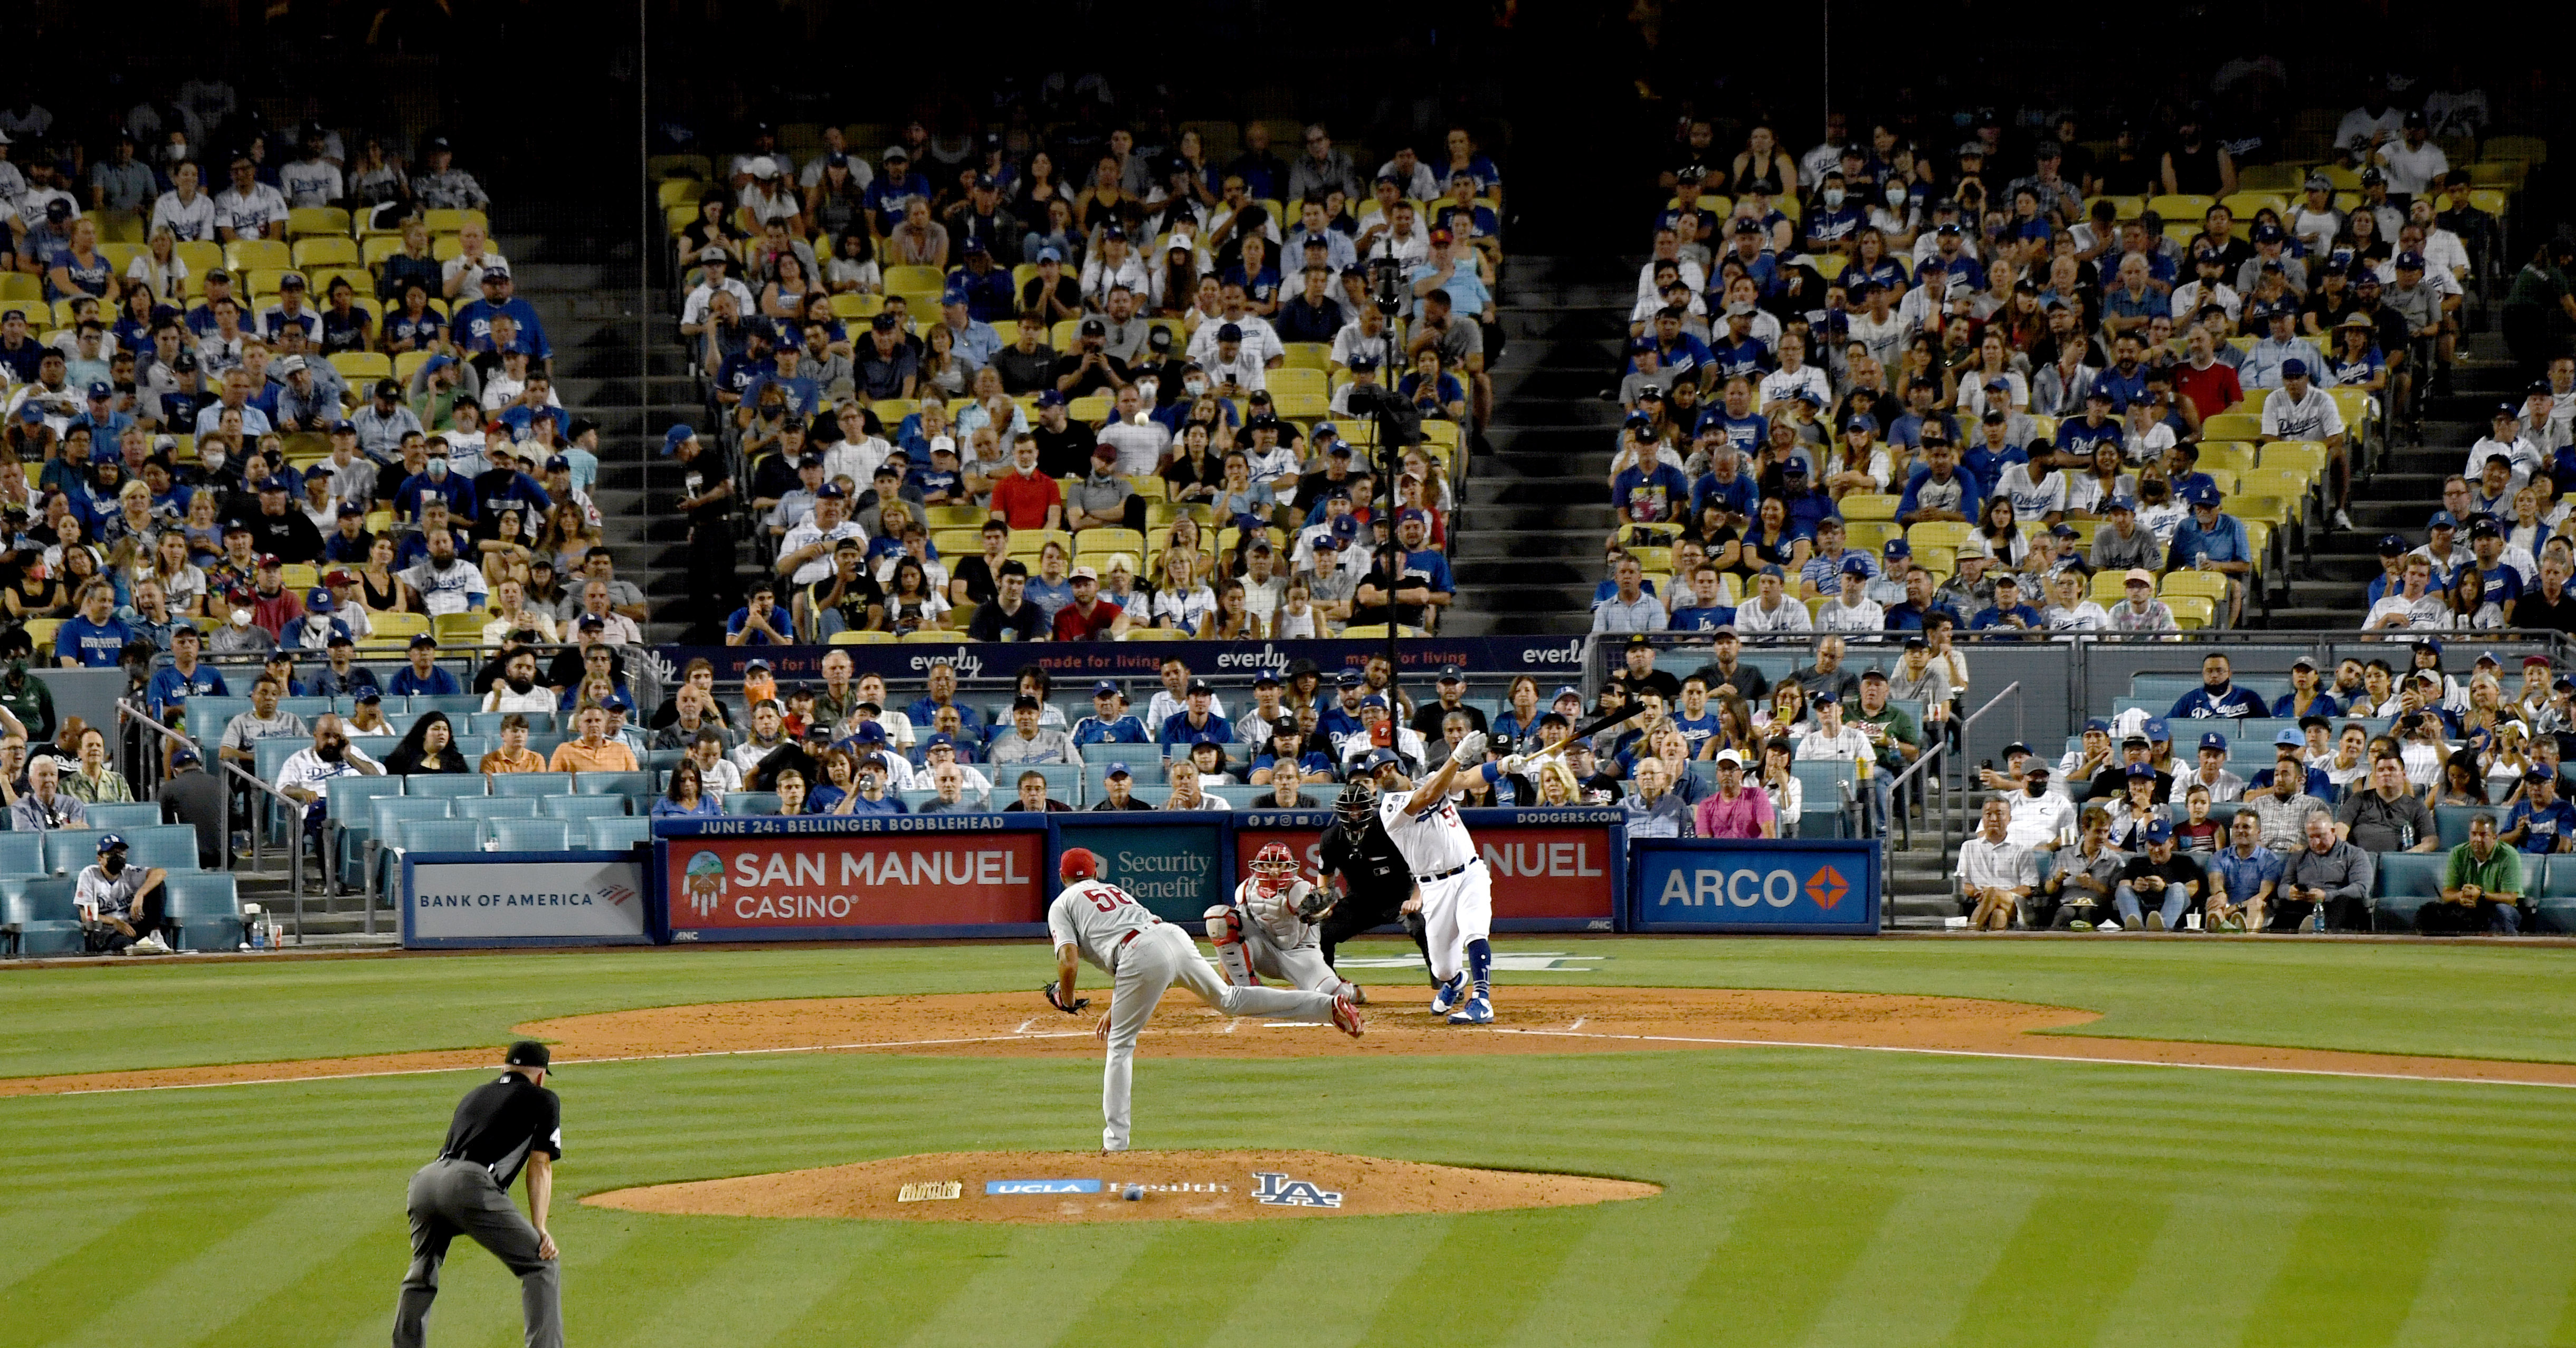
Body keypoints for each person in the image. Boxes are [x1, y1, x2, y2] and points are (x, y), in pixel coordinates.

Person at [1046, 847, 1360, 1153]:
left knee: (1120, 1046)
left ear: (1062, 876)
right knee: (1229, 999)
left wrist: (1068, 1000)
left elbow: (1069, 961)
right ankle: (1327, 1007)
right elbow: (1131, 940)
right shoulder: (1113, 890)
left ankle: (1115, 1143)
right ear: (1096, 875)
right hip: (1170, 935)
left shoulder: (1061, 905)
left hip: (1139, 955)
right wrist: (1119, 1005)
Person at [392, 1040, 563, 1348]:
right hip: (467, 1185)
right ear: (540, 1076)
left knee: (422, 1270)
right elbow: (540, 1164)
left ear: (504, 1069)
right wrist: (540, 1227)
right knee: (541, 1263)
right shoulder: (544, 1098)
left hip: (426, 1181)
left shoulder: (475, 1094)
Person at [1370, 728, 1506, 1024]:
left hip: (1469, 871)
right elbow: (1429, 795)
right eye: (1377, 774)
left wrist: (1503, 766)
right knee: (1442, 969)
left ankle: (1481, 1000)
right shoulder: (1389, 808)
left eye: (1387, 766)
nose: (1384, 774)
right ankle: (1455, 983)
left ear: (1400, 765)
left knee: (1474, 931)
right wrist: (1457, 756)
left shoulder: (1434, 780)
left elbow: (1468, 779)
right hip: (1434, 887)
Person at [1209, 842, 1364, 999]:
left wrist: (1319, 907)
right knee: (1218, 917)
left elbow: (1323, 910)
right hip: (1266, 952)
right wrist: (1226, 959)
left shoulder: (1300, 889)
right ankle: (1246, 990)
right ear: (1259, 867)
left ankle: (1351, 991)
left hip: (1302, 955)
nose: (1274, 871)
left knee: (1333, 996)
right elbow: (1235, 927)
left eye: (1280, 865)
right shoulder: (1246, 889)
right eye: (1268, 865)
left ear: (1289, 867)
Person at [2425, 811, 2527, 934]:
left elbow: (2511, 898)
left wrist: (2481, 895)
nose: (2478, 839)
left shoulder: (2509, 855)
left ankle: (2505, 945)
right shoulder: (2458, 853)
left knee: (2500, 912)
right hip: (2469, 907)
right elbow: (2447, 894)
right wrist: (2462, 896)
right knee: (2430, 911)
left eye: (2484, 835)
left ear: (2494, 837)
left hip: (2502, 908)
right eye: (2474, 834)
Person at [2274, 810, 2375, 932]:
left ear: (2333, 831)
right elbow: (2283, 886)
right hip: (2305, 904)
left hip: (2336, 904)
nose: (2316, 843)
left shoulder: (2355, 854)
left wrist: (2326, 896)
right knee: (2286, 910)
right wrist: (2290, 893)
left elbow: (2361, 888)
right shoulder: (2298, 857)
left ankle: (2319, 928)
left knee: (2343, 902)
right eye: (2311, 837)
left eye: (2320, 836)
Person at [75, 833, 171, 955]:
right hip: (108, 930)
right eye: (112, 853)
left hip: (134, 925)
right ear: (100, 859)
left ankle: (156, 935)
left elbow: (160, 872)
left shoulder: (129, 872)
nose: (118, 857)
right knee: (127, 945)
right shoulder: (89, 875)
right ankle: (139, 948)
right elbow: (86, 916)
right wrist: (115, 922)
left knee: (157, 885)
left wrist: (140, 894)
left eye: (121, 853)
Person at [1957, 799, 2035, 931]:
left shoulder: (2022, 849)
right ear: (1983, 819)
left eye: (1999, 814)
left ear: (2009, 819)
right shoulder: (1969, 847)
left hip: (2015, 904)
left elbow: (2028, 887)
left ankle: (1969, 935)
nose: (1993, 819)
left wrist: (1996, 894)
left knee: (1993, 893)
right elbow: (1963, 883)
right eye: (1988, 814)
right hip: (1980, 902)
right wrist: (1977, 893)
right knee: (1998, 914)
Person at [384, 712, 471, 776]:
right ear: (424, 733)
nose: (441, 733)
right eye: (436, 729)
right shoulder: (403, 758)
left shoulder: (457, 761)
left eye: (445, 729)